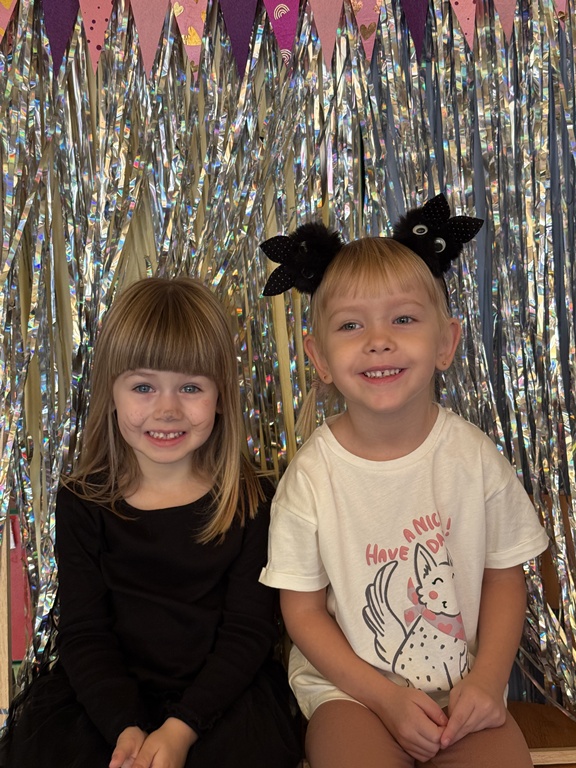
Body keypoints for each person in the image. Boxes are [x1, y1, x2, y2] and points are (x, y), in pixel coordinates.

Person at [259, 195, 549, 768]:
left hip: (460, 688)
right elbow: (304, 614)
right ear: (319, 357)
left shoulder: (473, 459)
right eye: (351, 325)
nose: (378, 339)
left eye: (404, 319)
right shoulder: (311, 478)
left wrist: (488, 681)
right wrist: (385, 699)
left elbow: (504, 578)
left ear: (446, 342)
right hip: (352, 694)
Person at [0, 277, 301, 768]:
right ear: (111, 392)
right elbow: (85, 633)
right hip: (106, 702)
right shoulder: (82, 501)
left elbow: (248, 633)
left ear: (221, 396)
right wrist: (124, 728)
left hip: (218, 702)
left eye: (190, 387)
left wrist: (181, 729)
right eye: (143, 386)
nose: (167, 409)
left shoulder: (252, 500)